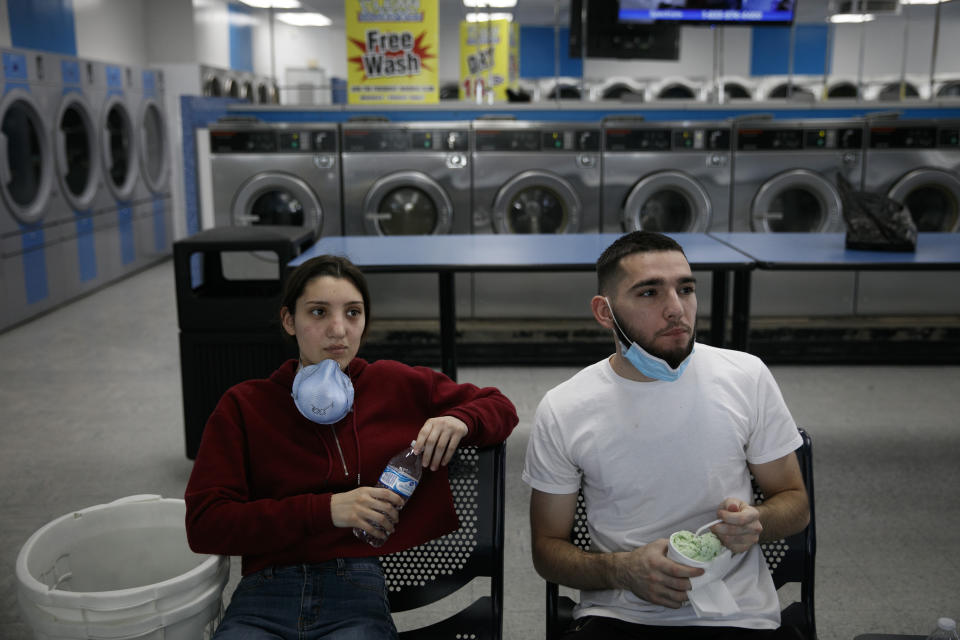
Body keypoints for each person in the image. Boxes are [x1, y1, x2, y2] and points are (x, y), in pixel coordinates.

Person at [185, 255, 518, 640]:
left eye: (353, 313)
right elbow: (205, 524)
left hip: (355, 588)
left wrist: (461, 419)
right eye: (318, 312)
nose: (338, 330)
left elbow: (500, 406)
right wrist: (326, 510)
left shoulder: (394, 384)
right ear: (289, 321)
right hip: (263, 592)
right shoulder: (245, 405)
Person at [523, 231, 810, 639]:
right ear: (605, 313)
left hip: (738, 616)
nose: (677, 309)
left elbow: (796, 505)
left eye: (686, 289)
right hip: (618, 617)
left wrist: (757, 521)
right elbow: (546, 552)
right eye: (649, 293)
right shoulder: (565, 407)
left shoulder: (746, 376)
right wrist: (620, 570)